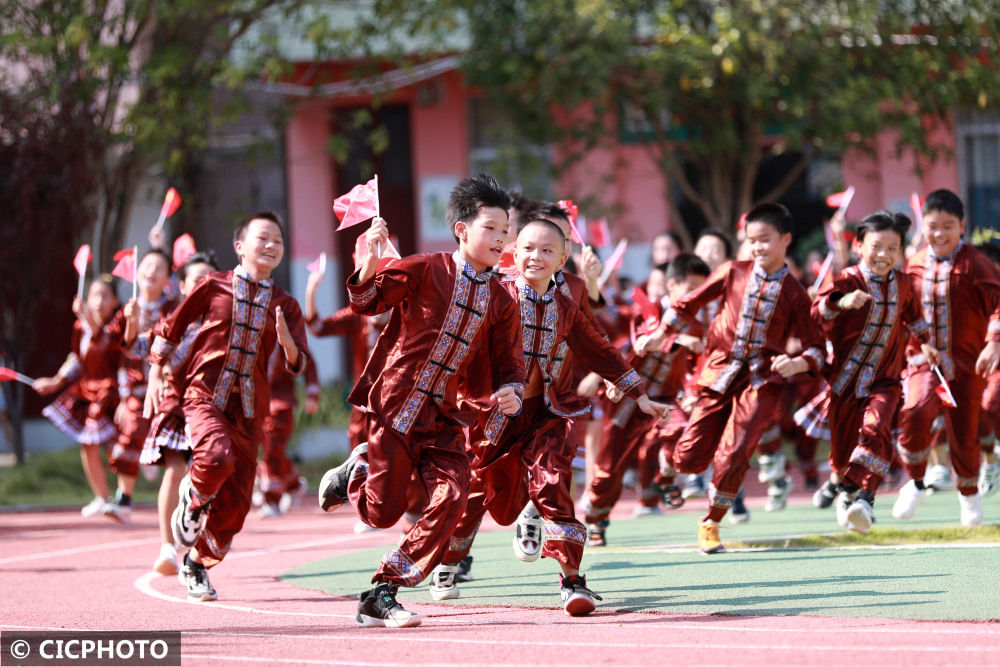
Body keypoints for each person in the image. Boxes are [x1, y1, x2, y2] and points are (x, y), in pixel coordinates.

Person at [429, 218, 667, 615]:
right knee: (476, 494)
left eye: (546, 250)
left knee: (555, 485)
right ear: (513, 253)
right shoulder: (491, 296)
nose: (535, 257)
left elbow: (599, 349)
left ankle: (572, 581)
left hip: (548, 414)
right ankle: (448, 565)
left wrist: (638, 393)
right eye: (527, 248)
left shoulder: (566, 305)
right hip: (492, 417)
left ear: (562, 259)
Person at [317, 174, 525, 629]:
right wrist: (370, 264)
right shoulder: (424, 267)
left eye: (505, 229)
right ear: (462, 229)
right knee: (381, 512)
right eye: (491, 228)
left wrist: (513, 390)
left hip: (443, 418)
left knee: (453, 496)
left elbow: (510, 361)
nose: (501, 238)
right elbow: (367, 302)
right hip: (394, 408)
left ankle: (382, 591)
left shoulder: (502, 298)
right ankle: (356, 474)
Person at [637, 202, 825, 554]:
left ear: (785, 240)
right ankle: (669, 468)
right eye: (752, 240)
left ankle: (711, 521)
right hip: (718, 371)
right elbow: (686, 304)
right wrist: (662, 333)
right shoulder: (732, 272)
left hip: (762, 381)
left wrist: (797, 364)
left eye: (765, 239)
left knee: (736, 450)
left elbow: (818, 349)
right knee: (690, 458)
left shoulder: (796, 293)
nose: (757, 247)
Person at [145, 211, 310, 601]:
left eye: (278, 242)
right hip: (204, 396)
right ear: (240, 247)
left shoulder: (285, 303)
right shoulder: (212, 285)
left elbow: (298, 361)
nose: (271, 246)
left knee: (236, 508)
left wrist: (287, 340)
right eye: (262, 238)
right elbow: (172, 326)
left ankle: (197, 564)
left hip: (251, 412)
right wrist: (155, 373)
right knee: (216, 458)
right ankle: (194, 500)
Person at [810, 211, 935, 533]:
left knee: (876, 428)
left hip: (885, 381)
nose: (885, 255)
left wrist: (927, 343)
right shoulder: (846, 278)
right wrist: (843, 301)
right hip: (844, 383)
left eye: (893, 248)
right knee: (841, 452)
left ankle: (865, 499)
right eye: (877, 246)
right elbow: (819, 309)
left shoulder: (905, 283)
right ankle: (843, 490)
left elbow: (914, 318)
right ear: (860, 245)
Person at [582, 254, 708, 546]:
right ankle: (596, 521)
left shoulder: (699, 327)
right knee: (610, 469)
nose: (694, 296)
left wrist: (692, 393)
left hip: (663, 400)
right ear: (671, 286)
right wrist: (678, 340)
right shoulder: (648, 312)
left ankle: (665, 479)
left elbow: (696, 368)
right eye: (689, 288)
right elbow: (641, 340)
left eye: (700, 291)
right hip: (628, 398)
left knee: (681, 430)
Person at [893, 189, 1000, 527]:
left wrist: (994, 342)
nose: (939, 234)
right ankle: (915, 480)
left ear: (962, 226)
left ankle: (969, 498)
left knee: (964, 433)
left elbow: (997, 304)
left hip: (968, 364)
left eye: (948, 226)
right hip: (924, 360)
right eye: (933, 226)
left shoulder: (975, 263)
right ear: (923, 226)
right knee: (914, 411)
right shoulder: (915, 262)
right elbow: (906, 308)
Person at [141, 251, 218, 575]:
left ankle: (198, 544)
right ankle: (167, 549)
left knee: (212, 477)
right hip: (176, 405)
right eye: (197, 279)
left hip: (212, 410)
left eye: (210, 279)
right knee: (174, 469)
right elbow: (150, 352)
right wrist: (154, 379)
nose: (204, 285)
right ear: (183, 285)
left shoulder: (224, 320)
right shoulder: (173, 319)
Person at [34, 275, 123, 516]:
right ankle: (102, 497)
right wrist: (55, 382)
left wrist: (85, 317)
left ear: (115, 300)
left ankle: (125, 495)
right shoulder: (79, 327)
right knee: (89, 443)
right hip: (88, 391)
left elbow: (103, 343)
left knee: (119, 447)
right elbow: (76, 358)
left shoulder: (118, 324)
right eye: (95, 295)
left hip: (115, 393)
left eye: (105, 296)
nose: (98, 301)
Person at [105, 248, 177, 523]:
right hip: (136, 390)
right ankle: (123, 499)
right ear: (136, 272)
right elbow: (122, 351)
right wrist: (131, 322)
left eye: (159, 268)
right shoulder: (128, 308)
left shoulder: (173, 308)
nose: (151, 271)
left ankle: (181, 502)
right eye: (147, 265)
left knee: (172, 443)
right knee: (130, 434)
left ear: (168, 278)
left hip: (168, 389)